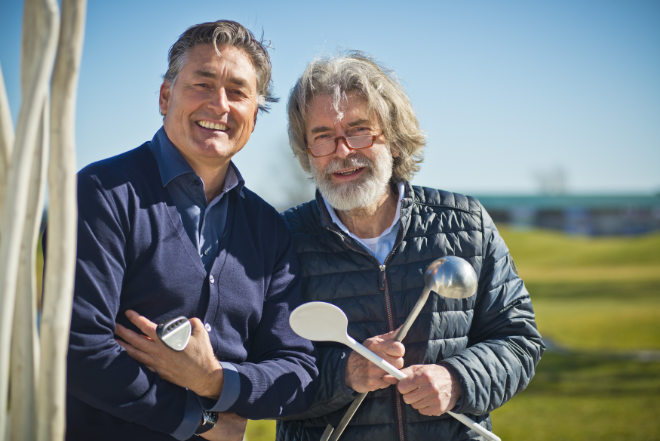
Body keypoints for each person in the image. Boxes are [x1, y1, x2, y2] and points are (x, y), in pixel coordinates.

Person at [67, 20, 317, 441]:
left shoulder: (269, 228)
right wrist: (198, 420)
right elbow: (79, 348)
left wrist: (214, 382)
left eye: (238, 92)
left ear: (254, 117)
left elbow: (298, 371)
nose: (219, 105)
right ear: (166, 97)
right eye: (202, 85)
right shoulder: (101, 194)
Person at [276, 51, 545, 441]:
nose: (343, 151)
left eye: (359, 130)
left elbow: (518, 340)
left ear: (394, 138)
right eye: (323, 137)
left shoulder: (465, 223)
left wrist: (458, 378)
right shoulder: (281, 239)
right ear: (307, 152)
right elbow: (261, 366)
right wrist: (345, 373)